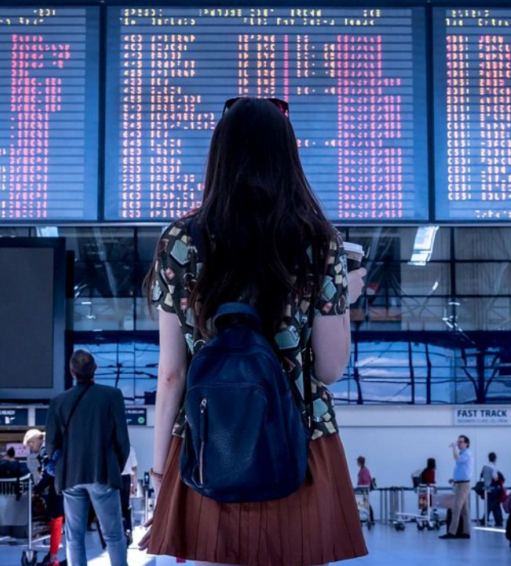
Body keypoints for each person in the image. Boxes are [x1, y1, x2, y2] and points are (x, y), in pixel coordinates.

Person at [141, 97, 369, 566]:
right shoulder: (318, 241)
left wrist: (162, 471)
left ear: (219, 155)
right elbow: (329, 368)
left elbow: (171, 374)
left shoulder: (180, 241)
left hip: (208, 441)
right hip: (301, 442)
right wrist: (342, 295)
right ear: (288, 157)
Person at [46, 349, 130, 566]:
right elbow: (122, 440)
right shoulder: (112, 395)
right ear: (95, 369)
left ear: (72, 372)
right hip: (102, 473)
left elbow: (51, 445)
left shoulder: (59, 401)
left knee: (74, 538)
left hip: (70, 477)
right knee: (113, 535)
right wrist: (114, 467)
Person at [25, 429, 64, 566]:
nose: (31, 448)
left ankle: (53, 558)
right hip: (66, 486)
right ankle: (54, 556)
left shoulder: (45, 449)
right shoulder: (54, 444)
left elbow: (49, 472)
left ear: (35, 440)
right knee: (62, 523)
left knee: (56, 521)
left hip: (57, 489)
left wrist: (37, 488)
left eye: (30, 444)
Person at [441, 435, 473, 540]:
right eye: (458, 442)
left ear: (466, 443)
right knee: (464, 510)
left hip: (463, 485)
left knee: (455, 508)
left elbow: (457, 459)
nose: (459, 443)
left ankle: (452, 532)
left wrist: (454, 448)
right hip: (459, 483)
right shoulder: (463, 454)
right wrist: (454, 479)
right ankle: (466, 532)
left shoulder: (467, 453)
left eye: (461, 442)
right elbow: (463, 470)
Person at [480, 452, 503, 528]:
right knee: (493, 505)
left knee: (491, 505)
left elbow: (481, 476)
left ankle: (496, 520)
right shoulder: (493, 467)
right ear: (495, 458)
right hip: (492, 489)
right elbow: (496, 478)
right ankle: (497, 521)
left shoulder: (484, 466)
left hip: (486, 488)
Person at [120, 446, 138, 545]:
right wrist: (133, 486)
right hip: (126, 479)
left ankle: (120, 532)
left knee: (115, 507)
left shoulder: (109, 445)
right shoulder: (130, 448)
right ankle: (128, 530)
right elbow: (134, 469)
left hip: (114, 478)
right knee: (125, 506)